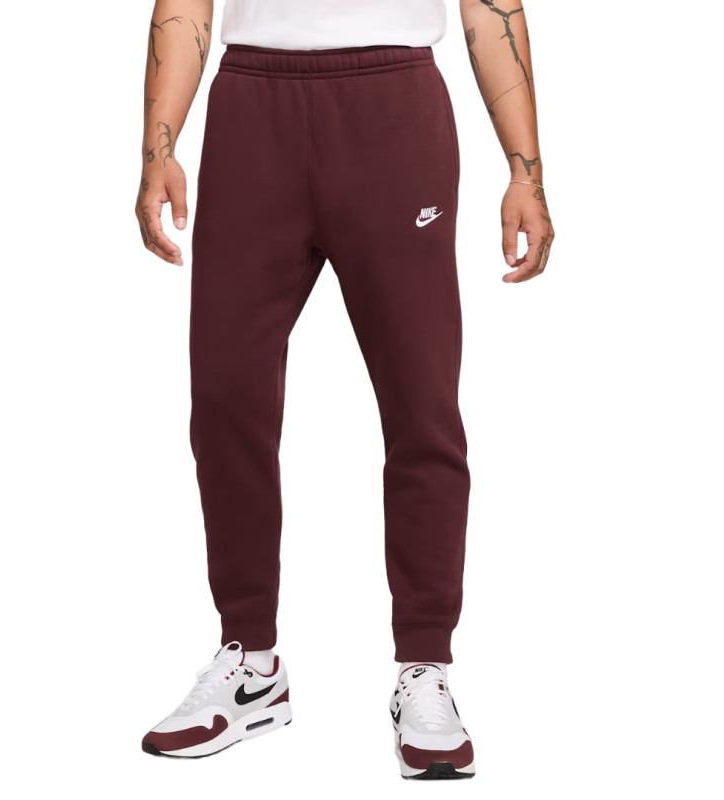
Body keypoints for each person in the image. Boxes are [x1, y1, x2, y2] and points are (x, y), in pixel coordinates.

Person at [135, 0, 554, 780]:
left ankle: (424, 666)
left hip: (394, 107)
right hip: (252, 106)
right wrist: (158, 147)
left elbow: (491, 4)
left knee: (421, 400)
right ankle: (251, 662)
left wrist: (525, 170)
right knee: (225, 397)